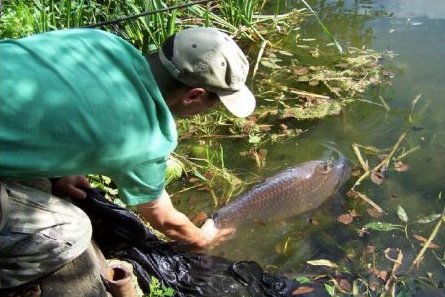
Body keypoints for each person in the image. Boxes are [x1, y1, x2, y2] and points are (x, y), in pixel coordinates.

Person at [0, 27, 256, 289]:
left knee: (39, 186)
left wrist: (66, 164)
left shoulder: (103, 41)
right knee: (72, 231)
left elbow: (56, 95)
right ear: (194, 95)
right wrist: (202, 240)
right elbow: (165, 219)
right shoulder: (144, 137)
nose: (209, 112)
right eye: (214, 104)